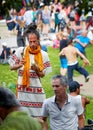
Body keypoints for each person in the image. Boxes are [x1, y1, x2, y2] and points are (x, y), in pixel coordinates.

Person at [8, 23, 52, 117]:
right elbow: (11, 67)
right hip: (22, 91)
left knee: (39, 117)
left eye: (34, 41)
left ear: (38, 40)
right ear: (27, 40)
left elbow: (42, 75)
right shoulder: (21, 51)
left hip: (36, 90)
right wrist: (19, 65)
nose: (32, 44)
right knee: (23, 118)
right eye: (30, 41)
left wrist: (36, 69)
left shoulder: (43, 54)